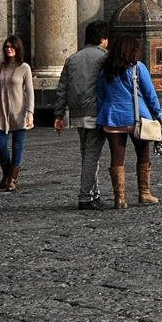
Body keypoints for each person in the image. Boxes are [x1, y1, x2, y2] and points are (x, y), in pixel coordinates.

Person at [96, 36, 162, 209]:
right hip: (138, 118)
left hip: (113, 118)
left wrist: (100, 115)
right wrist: (159, 114)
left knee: (117, 158)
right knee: (143, 154)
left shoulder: (105, 70)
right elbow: (149, 93)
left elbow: (100, 96)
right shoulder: (138, 68)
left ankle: (119, 198)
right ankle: (144, 193)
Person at [53, 20, 110, 210]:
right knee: (91, 156)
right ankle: (85, 196)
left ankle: (94, 193)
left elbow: (62, 89)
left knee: (87, 154)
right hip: (96, 112)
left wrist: (59, 116)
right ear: (103, 38)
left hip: (77, 113)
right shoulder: (104, 58)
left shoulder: (73, 58)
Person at [0, 35, 34, 193]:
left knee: (17, 146)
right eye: (6, 47)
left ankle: (12, 179)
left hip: (19, 111)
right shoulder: (0, 66)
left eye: (12, 46)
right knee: (0, 145)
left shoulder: (24, 67)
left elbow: (30, 92)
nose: (9, 49)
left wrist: (30, 112)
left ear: (18, 48)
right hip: (0, 111)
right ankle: (7, 174)